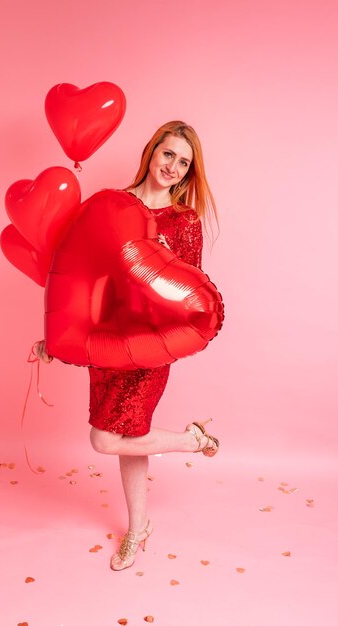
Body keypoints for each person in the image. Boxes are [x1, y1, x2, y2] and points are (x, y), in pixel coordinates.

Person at [37, 120, 221, 571]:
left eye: (184, 162)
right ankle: (138, 527)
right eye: (168, 155)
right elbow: (81, 276)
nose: (173, 167)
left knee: (108, 438)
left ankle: (190, 442)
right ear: (151, 151)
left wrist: (160, 254)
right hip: (107, 341)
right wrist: (56, 339)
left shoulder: (184, 221)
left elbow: (187, 290)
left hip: (149, 344)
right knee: (128, 438)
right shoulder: (113, 205)